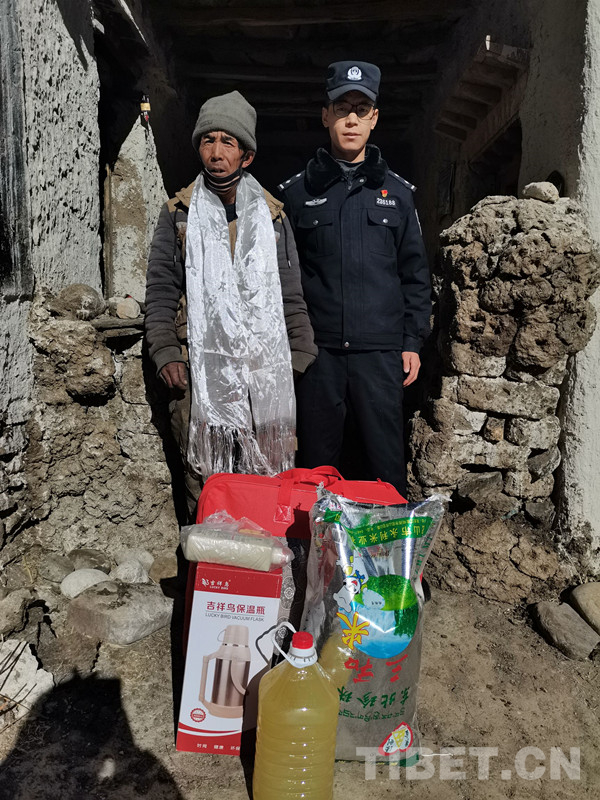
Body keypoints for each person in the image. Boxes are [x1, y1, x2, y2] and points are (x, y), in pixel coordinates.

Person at [145, 90, 316, 519]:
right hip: (200, 364)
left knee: (261, 473)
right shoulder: (179, 214)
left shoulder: (271, 218)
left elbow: (289, 292)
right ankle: (207, 557)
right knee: (204, 473)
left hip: (261, 366)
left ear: (247, 156)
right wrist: (166, 352)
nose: (216, 152)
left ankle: (258, 554)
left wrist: (298, 354)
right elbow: (161, 290)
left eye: (228, 142)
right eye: (208, 140)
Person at [278, 62, 431, 496]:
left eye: (361, 110)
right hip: (318, 355)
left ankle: (388, 541)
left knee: (384, 466)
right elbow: (283, 278)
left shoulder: (398, 195)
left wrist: (411, 341)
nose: (351, 119)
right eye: (342, 108)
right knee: (316, 469)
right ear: (325, 115)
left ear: (374, 118)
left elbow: (415, 275)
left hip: (380, 355)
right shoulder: (296, 195)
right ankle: (317, 543)